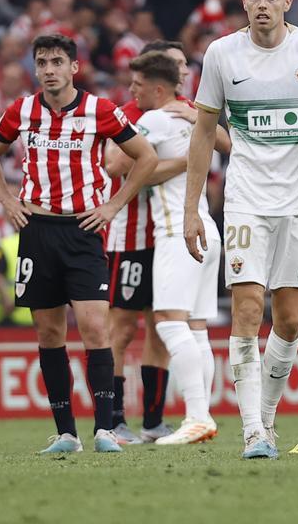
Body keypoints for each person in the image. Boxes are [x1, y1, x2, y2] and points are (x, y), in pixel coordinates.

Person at [184, 0, 298, 460]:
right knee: (248, 310)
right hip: (247, 201)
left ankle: (267, 418)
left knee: (290, 319)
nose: (262, 6)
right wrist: (192, 209)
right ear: (243, 1)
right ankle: (252, 429)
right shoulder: (221, 55)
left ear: (287, 1)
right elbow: (204, 132)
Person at [0, 33, 158, 454]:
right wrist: (7, 200)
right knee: (48, 332)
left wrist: (113, 205)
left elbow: (146, 157)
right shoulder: (21, 111)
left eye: (57, 62)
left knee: (96, 328)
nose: (48, 70)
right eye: (41, 62)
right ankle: (65, 434)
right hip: (38, 231)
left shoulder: (100, 110)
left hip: (83, 230)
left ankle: (104, 430)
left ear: (74, 68)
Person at [114, 51, 228, 445]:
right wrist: (189, 158)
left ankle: (197, 416)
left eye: (138, 85)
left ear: (157, 88)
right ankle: (203, 416)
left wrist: (171, 164)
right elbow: (224, 146)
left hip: (177, 231)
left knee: (167, 321)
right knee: (196, 328)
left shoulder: (154, 119)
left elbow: (121, 166)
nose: (132, 91)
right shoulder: (195, 114)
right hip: (208, 229)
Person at [103, 39, 196, 446]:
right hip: (130, 233)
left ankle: (154, 422)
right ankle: (113, 418)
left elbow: (225, 144)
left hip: (168, 234)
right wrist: (183, 159)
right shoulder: (127, 115)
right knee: (121, 328)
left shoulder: (189, 111)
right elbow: (116, 164)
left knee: (162, 328)